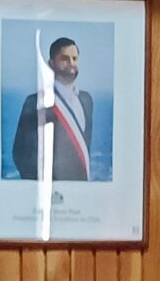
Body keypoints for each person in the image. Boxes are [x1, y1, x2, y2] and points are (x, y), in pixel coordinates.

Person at [10, 37, 98, 183]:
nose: (71, 63)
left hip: (80, 191)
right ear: (51, 64)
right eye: (65, 59)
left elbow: (84, 149)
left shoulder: (87, 100)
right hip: (52, 192)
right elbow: (20, 154)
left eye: (75, 58)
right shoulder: (35, 102)